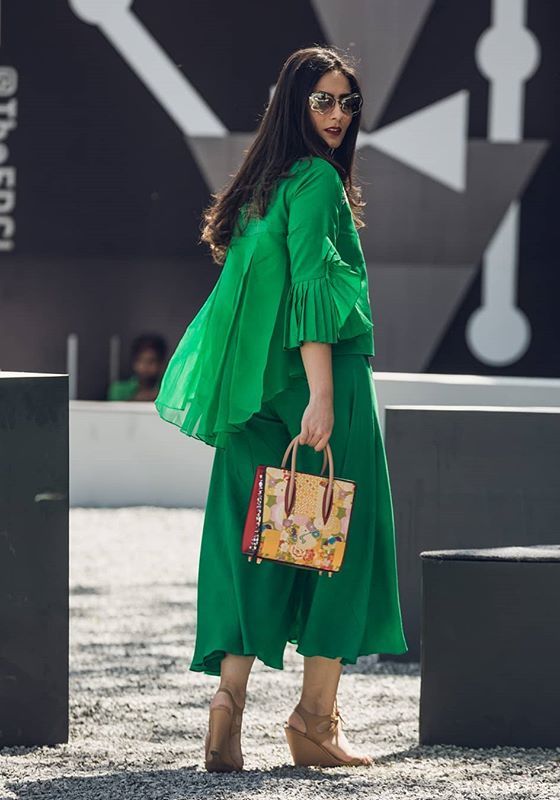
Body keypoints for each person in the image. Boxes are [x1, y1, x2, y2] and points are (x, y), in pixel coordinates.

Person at [154, 45, 408, 771]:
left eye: (347, 102)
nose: (336, 115)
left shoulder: (259, 191)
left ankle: (226, 713)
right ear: (292, 104)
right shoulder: (320, 184)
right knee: (339, 545)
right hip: (319, 391)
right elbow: (311, 299)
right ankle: (314, 723)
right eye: (322, 100)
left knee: (256, 549)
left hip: (252, 400)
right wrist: (324, 398)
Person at [107, 333, 167, 401]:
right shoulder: (118, 390)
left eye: (151, 361)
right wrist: (135, 400)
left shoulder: (168, 391)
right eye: (140, 361)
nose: (145, 367)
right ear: (134, 362)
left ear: (161, 364)